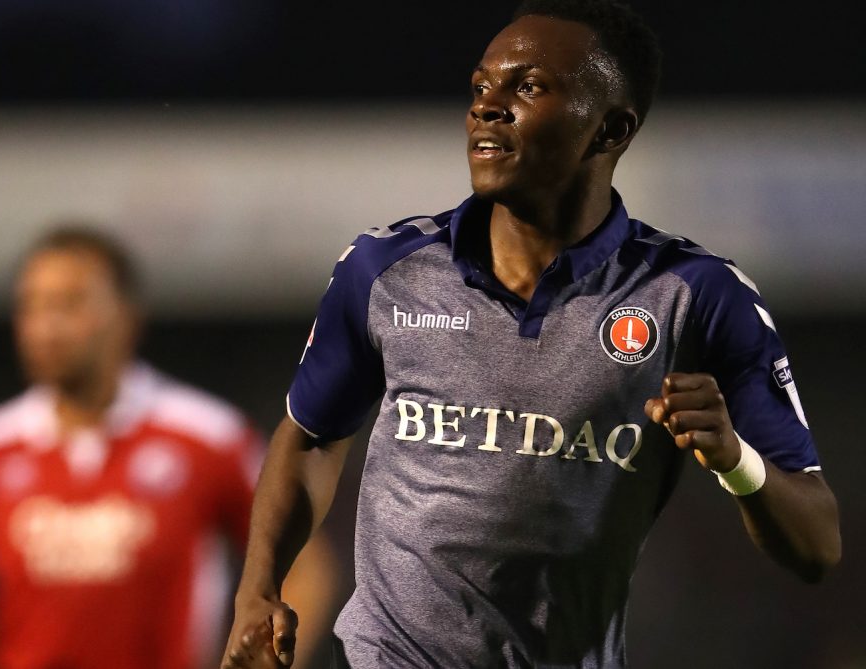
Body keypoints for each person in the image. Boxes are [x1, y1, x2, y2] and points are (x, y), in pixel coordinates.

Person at [220, 1, 842, 667]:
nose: (487, 107)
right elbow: (312, 438)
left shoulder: (696, 295)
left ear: (611, 129)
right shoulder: (386, 268)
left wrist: (736, 461)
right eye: (481, 86)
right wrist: (257, 591)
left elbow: (817, 546)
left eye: (529, 86)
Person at [0, 226, 338, 669]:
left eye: (70, 303)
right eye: (31, 306)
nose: (45, 327)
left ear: (127, 316)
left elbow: (306, 571)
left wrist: (271, 657)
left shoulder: (209, 438)